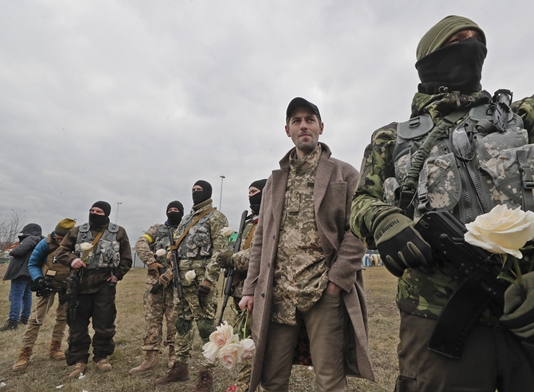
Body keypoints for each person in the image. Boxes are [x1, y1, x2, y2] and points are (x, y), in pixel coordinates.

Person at [350, 15, 534, 392]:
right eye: (457, 41)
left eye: (477, 41)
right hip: (434, 315)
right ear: (427, 59)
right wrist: (382, 219)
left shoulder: (527, 114)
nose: (471, 45)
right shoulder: (389, 138)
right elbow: (361, 201)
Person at [239, 97, 374, 392]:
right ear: (286, 130)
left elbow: (358, 228)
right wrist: (250, 288)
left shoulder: (345, 174)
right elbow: (261, 239)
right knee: (272, 378)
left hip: (323, 292)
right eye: (296, 121)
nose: (304, 126)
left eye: (310, 119)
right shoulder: (274, 182)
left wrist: (337, 280)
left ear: (321, 127)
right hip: (278, 294)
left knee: (329, 378)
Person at [155, 180, 229, 392]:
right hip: (181, 281)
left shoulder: (216, 217)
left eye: (200, 190)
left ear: (208, 193)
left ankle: (206, 375)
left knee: (206, 327)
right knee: (182, 324)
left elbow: (221, 251)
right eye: (194, 190)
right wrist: (171, 255)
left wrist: (210, 279)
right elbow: (176, 243)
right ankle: (180, 367)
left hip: (201, 282)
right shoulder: (186, 219)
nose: (196, 193)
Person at [55, 201, 132, 378]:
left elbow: (126, 258)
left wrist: (117, 275)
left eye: (98, 211)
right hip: (79, 284)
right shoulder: (77, 231)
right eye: (91, 210)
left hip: (105, 284)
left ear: (106, 213)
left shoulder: (118, 232)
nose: (94, 213)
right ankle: (79, 360)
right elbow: (62, 251)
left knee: (104, 323)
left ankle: (101, 357)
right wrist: (72, 260)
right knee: (77, 324)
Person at [217, 178, 267, 392]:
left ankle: (250, 385)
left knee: (256, 341)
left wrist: (231, 258)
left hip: (260, 289)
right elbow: (234, 247)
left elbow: (258, 253)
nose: (250, 196)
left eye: (254, 192)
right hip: (240, 290)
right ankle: (245, 384)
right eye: (248, 192)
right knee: (244, 340)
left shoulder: (271, 219)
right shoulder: (248, 223)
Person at [12, 218, 76, 371]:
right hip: (47, 284)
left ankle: (55, 348)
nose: (60, 240)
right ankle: (25, 353)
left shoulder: (75, 244)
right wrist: (39, 279)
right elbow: (33, 263)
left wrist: (73, 280)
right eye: (58, 237)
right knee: (37, 318)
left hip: (67, 285)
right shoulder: (45, 244)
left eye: (63, 238)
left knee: (62, 318)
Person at [129, 200, 184, 375]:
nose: (172, 211)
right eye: (170, 209)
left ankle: (173, 356)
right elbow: (140, 243)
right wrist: (151, 261)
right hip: (154, 285)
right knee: (152, 320)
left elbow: (188, 256)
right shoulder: (157, 229)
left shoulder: (186, 230)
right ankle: (150, 358)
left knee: (174, 321)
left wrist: (171, 273)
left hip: (177, 285)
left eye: (176, 210)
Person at [0, 223, 43, 331]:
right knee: (26, 295)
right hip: (30, 272)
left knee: (16, 296)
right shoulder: (41, 241)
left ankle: (12, 322)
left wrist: (13, 250)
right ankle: (24, 318)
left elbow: (18, 251)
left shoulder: (31, 238)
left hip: (21, 272)